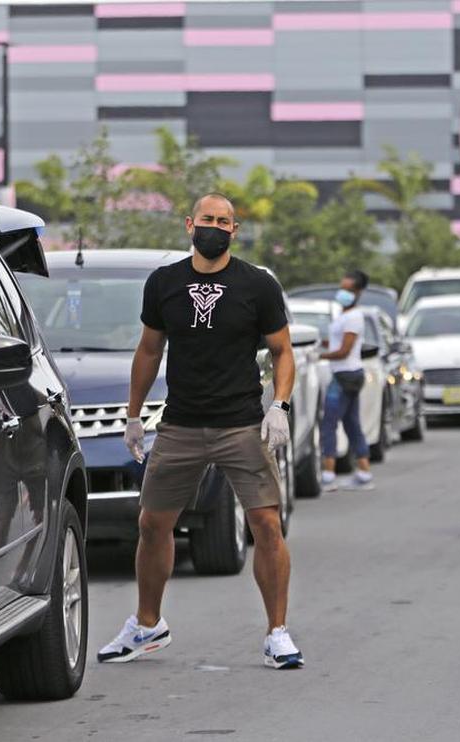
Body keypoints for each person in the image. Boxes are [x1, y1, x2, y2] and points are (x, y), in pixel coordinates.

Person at [97, 193, 304, 670]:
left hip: (242, 424)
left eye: (223, 221)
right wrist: (132, 416)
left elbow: (283, 351)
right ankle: (148, 626)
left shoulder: (257, 285)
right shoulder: (164, 283)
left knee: (267, 524)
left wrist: (280, 405)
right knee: (152, 523)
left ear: (235, 230)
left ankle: (277, 633)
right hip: (181, 423)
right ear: (190, 225)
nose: (214, 227)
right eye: (206, 219)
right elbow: (149, 350)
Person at [318, 269, 373, 491]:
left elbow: (343, 351)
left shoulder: (354, 317)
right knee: (351, 423)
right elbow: (335, 344)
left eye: (348, 290)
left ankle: (328, 475)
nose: (343, 292)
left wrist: (319, 356)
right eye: (342, 288)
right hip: (349, 373)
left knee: (329, 424)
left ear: (358, 292)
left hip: (345, 375)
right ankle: (363, 471)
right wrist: (321, 345)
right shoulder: (344, 314)